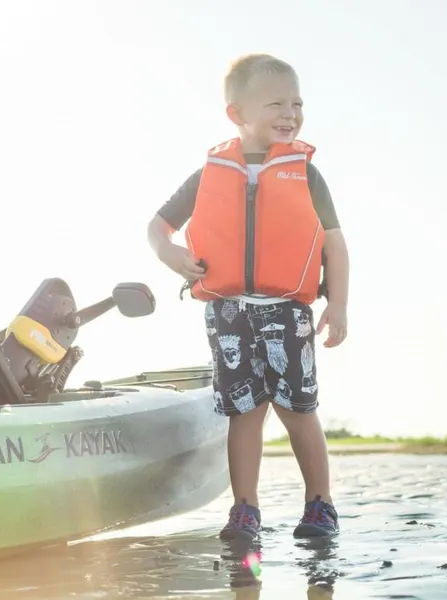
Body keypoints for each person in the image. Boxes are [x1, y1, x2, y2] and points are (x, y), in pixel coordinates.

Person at [146, 53, 349, 540]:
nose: (290, 113)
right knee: (243, 413)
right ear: (236, 114)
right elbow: (158, 226)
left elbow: (335, 243)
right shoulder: (209, 173)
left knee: (298, 410)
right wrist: (170, 255)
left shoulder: (307, 173)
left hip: (288, 312)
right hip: (228, 312)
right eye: (276, 103)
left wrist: (337, 304)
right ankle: (245, 510)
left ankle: (319, 505)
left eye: (297, 103)